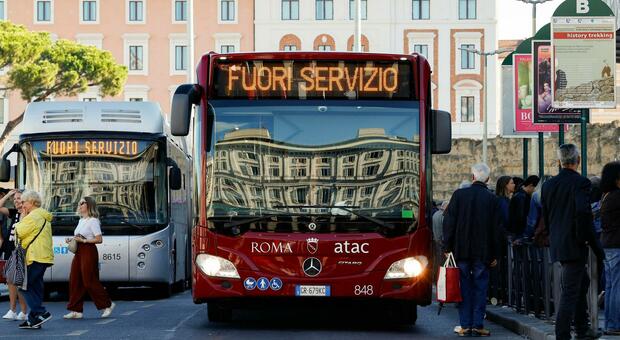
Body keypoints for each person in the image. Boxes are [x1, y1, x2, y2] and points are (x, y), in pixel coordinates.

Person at [542, 144, 605, 340]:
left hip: (558, 242)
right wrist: (593, 244)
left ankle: (581, 327)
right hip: (574, 244)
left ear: (560, 161)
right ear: (578, 160)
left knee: (581, 283)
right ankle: (563, 333)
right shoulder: (581, 183)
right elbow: (583, 214)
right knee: (570, 291)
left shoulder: (548, 185)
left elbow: (547, 215)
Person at [443, 163, 502, 337]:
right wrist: (495, 254)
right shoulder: (492, 199)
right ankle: (477, 325)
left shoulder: (459, 195)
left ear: (473, 177)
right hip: (483, 253)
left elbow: (449, 223)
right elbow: (496, 229)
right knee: (480, 287)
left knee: (464, 287)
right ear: (488, 180)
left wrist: (447, 247)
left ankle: (465, 325)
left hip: (461, 251)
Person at [64, 197, 115, 319]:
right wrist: (72, 239)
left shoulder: (93, 221)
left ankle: (107, 304)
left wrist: (84, 240)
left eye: (82, 203)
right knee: (75, 279)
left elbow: (99, 239)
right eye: (79, 203)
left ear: (89, 205)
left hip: (88, 250)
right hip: (79, 251)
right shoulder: (81, 220)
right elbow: (80, 236)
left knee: (89, 280)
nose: (79, 205)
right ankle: (76, 310)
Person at [14, 190, 54, 330]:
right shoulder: (42, 215)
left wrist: (22, 218)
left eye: (23, 202)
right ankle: (33, 320)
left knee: (23, 286)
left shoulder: (33, 216)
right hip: (42, 256)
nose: (22, 204)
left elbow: (18, 231)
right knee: (35, 287)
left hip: (34, 256)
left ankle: (41, 312)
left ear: (31, 202)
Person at [0, 189, 28, 321]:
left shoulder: (29, 215)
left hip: (21, 251)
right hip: (10, 249)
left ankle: (23, 311)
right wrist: (8, 195)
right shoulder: (14, 213)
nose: (16, 201)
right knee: (11, 281)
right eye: (15, 199)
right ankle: (13, 310)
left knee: (19, 281)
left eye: (19, 198)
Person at [600, 161, 620, 335]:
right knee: (617, 286)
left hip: (608, 245)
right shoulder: (617, 196)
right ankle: (614, 324)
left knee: (612, 285)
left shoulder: (606, 196)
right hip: (617, 245)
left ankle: (609, 323)